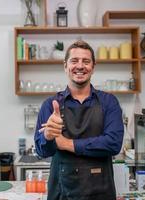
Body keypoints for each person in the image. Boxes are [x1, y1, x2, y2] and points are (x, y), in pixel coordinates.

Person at [34, 40, 124, 200]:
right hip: (62, 193)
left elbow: (113, 143)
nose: (80, 66)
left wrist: (67, 143)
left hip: (101, 192)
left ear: (93, 67)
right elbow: (42, 152)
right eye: (74, 61)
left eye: (86, 61)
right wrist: (48, 136)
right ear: (65, 66)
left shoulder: (109, 102)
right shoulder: (50, 105)